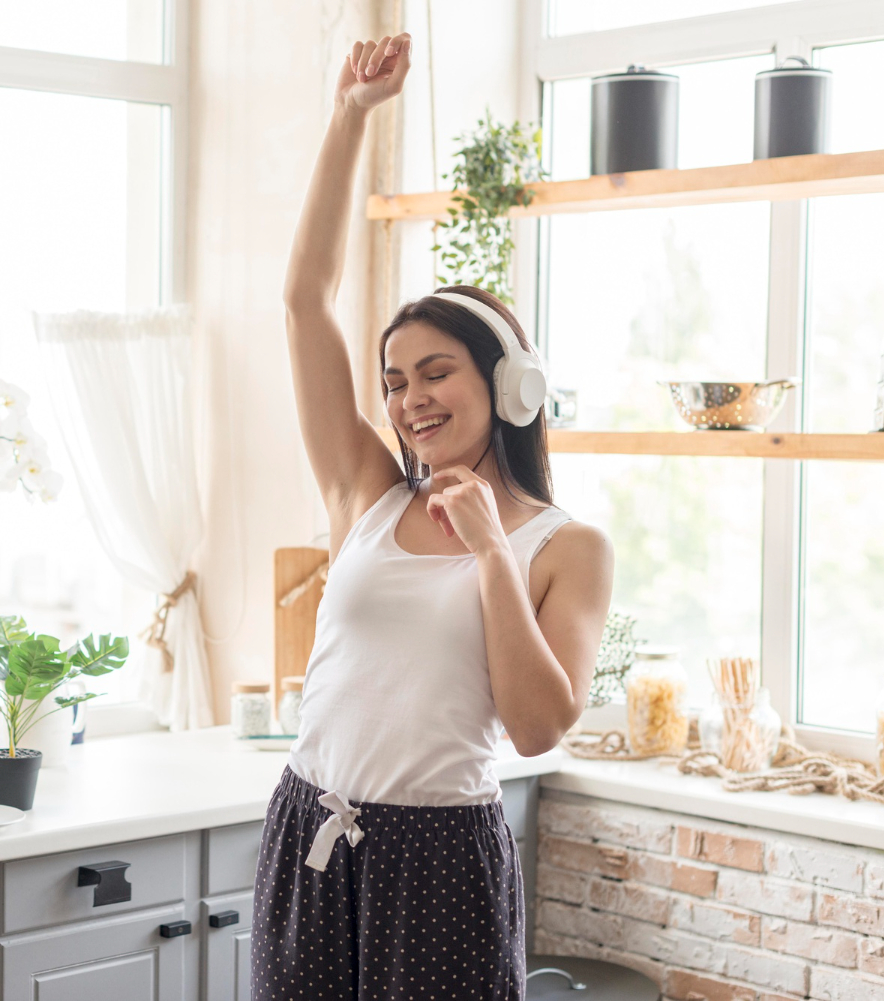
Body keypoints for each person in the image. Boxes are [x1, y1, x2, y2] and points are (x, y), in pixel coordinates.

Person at [251, 32, 615, 1000]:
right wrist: (349, 117)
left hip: (441, 849)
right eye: (395, 380)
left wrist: (492, 553)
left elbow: (540, 726)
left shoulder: (565, 545)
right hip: (310, 823)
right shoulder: (366, 494)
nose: (410, 400)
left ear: (509, 382)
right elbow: (302, 301)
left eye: (436, 372)